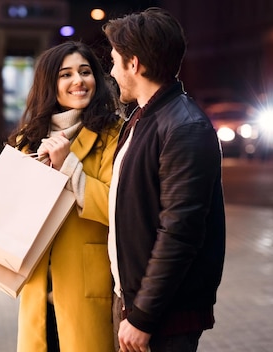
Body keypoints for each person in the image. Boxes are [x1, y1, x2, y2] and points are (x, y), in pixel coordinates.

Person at [103, 7, 226, 352]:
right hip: (135, 302)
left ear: (135, 64)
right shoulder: (143, 117)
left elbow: (179, 233)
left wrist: (143, 316)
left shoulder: (185, 127)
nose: (111, 72)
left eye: (115, 61)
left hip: (161, 317)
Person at [7, 41, 123, 351]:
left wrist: (68, 165)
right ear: (50, 84)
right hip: (36, 288)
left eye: (85, 72)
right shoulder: (28, 139)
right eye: (66, 74)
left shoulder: (112, 135)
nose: (78, 81)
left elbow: (116, 207)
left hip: (83, 285)